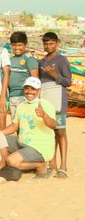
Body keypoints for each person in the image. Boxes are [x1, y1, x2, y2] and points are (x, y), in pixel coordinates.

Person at [3, 77, 56, 179]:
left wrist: (44, 115)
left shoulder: (45, 104)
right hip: (22, 143)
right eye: (27, 88)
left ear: (39, 91)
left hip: (39, 147)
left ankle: (41, 165)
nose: (29, 91)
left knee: (11, 161)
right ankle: (21, 163)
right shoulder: (21, 105)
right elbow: (14, 126)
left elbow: (53, 125)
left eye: (33, 89)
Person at [37, 32, 72, 178]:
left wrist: (55, 75)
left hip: (59, 101)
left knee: (60, 132)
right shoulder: (41, 62)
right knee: (50, 133)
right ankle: (53, 164)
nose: (48, 46)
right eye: (46, 44)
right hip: (46, 100)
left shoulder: (62, 60)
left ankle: (63, 166)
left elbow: (68, 82)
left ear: (57, 43)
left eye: (51, 43)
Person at [7, 32, 39, 119]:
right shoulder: (10, 60)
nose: (17, 48)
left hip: (24, 97)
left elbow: (35, 80)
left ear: (25, 45)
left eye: (19, 45)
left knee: (25, 124)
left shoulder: (29, 59)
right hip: (12, 96)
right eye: (14, 45)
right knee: (15, 124)